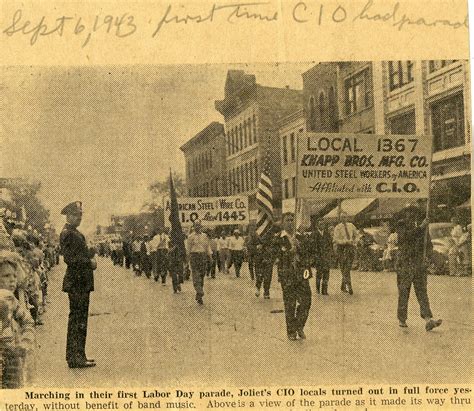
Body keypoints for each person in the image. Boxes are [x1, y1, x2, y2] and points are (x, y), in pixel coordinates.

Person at [59, 201, 97, 368]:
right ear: (68, 215)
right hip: (78, 281)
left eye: (80, 215)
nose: (79, 218)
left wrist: (89, 252)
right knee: (78, 320)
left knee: (79, 319)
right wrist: (90, 262)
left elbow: (76, 254)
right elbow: (70, 259)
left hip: (78, 281)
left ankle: (78, 355)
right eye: (76, 215)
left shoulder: (72, 232)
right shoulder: (69, 233)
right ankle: (76, 357)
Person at [395, 205, 442, 331]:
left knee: (422, 292)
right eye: (410, 213)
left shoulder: (423, 225)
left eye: (415, 213)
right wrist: (421, 227)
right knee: (404, 292)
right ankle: (402, 318)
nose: (412, 215)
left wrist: (431, 258)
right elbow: (405, 238)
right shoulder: (402, 224)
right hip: (405, 262)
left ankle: (428, 319)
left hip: (419, 262)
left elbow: (428, 244)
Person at [274, 212, 312, 340]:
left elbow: (309, 254)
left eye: (292, 220)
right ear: (283, 223)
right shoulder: (278, 238)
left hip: (302, 273)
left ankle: (299, 325)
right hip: (287, 274)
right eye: (288, 220)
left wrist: (300, 247)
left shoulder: (300, 237)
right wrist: (290, 252)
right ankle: (291, 331)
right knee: (290, 304)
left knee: (306, 301)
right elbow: (276, 255)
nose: (290, 222)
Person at [0, 251, 35, 388]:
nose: (13, 280)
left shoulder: (11, 299)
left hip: (12, 358)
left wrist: (25, 342)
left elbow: (27, 321)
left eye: (14, 276)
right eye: (7, 276)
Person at [333, 212, 358, 295]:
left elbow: (356, 235)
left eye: (345, 217)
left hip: (350, 248)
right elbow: (336, 239)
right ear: (340, 218)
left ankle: (344, 285)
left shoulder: (351, 225)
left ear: (347, 218)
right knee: (344, 268)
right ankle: (349, 286)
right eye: (342, 217)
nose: (344, 219)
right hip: (342, 248)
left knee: (347, 267)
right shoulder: (338, 227)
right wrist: (345, 241)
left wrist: (355, 241)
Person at [187, 220, 211, 305]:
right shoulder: (190, 237)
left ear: (201, 226)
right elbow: (188, 249)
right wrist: (186, 261)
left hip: (203, 256)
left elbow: (207, 247)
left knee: (201, 275)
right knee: (196, 275)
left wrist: (210, 257)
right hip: (194, 256)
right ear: (193, 226)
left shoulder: (205, 236)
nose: (197, 227)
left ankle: (199, 295)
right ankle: (200, 291)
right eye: (196, 225)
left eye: (199, 225)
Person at [254, 228, 276, 299]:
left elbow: (274, 251)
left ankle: (266, 291)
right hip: (260, 262)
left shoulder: (272, 244)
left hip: (269, 262)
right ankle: (258, 287)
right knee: (260, 276)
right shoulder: (260, 243)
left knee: (268, 277)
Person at [312, 219, 332, 295]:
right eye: (320, 224)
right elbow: (313, 247)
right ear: (317, 225)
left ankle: (325, 290)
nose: (322, 225)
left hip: (326, 257)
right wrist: (316, 256)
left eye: (323, 224)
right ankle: (317, 289)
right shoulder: (314, 234)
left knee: (326, 273)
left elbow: (330, 244)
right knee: (319, 274)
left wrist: (329, 254)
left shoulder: (327, 234)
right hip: (319, 257)